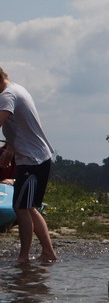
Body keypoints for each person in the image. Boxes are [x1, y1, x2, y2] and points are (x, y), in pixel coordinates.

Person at [0, 67, 58, 262]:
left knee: (21, 207)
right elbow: (20, 125)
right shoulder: (16, 89)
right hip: (35, 157)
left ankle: (23, 257)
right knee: (29, 207)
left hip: (33, 160)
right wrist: (10, 149)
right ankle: (48, 252)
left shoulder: (7, 96)